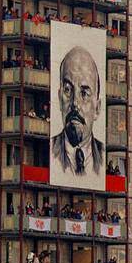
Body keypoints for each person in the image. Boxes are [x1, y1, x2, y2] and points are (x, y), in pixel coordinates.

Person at [50, 46, 104, 178]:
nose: (75, 103)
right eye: (68, 90)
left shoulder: (103, 156)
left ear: (97, 108)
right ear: (59, 97)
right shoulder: (50, 151)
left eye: (84, 93)